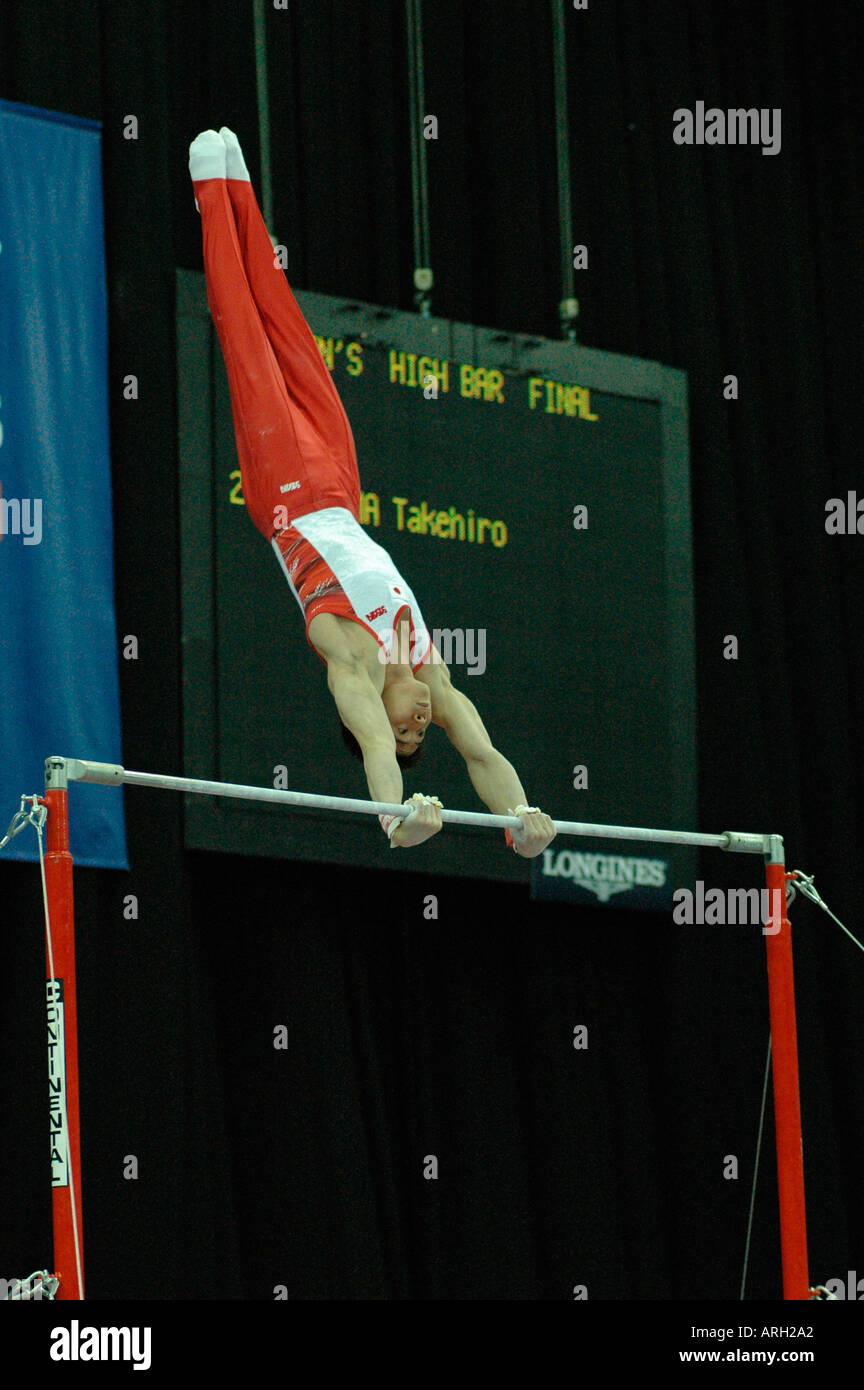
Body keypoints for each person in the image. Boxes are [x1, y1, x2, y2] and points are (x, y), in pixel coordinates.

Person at [189, 128, 556, 857]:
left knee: (247, 338)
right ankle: (241, 187)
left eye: (407, 726)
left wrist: (394, 818)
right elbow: (482, 753)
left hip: (286, 497)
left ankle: (209, 194)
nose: (419, 720)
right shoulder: (428, 665)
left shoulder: (349, 663)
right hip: (341, 488)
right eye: (425, 730)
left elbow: (376, 751)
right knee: (291, 329)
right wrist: (523, 822)